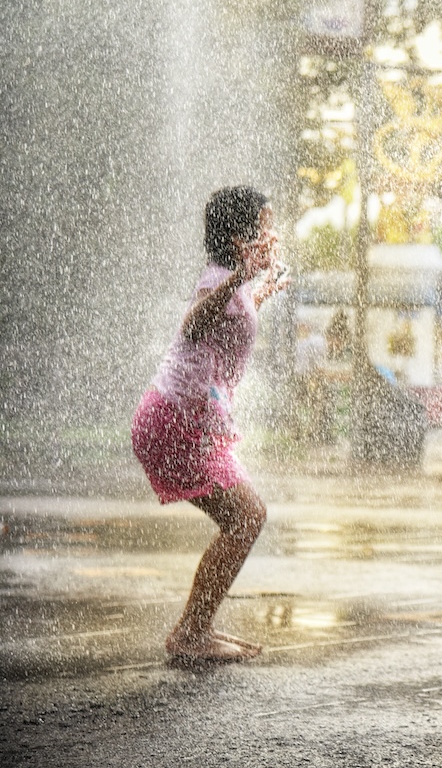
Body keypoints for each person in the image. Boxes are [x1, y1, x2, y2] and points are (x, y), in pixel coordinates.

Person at [130, 185, 289, 663]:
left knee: (244, 518)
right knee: (246, 517)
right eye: (264, 224)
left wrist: (258, 291)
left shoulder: (232, 285)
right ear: (240, 236)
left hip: (183, 419)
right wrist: (237, 279)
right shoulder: (217, 280)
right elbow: (195, 323)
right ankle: (191, 633)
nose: (272, 233)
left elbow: (226, 324)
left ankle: (196, 629)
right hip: (177, 422)